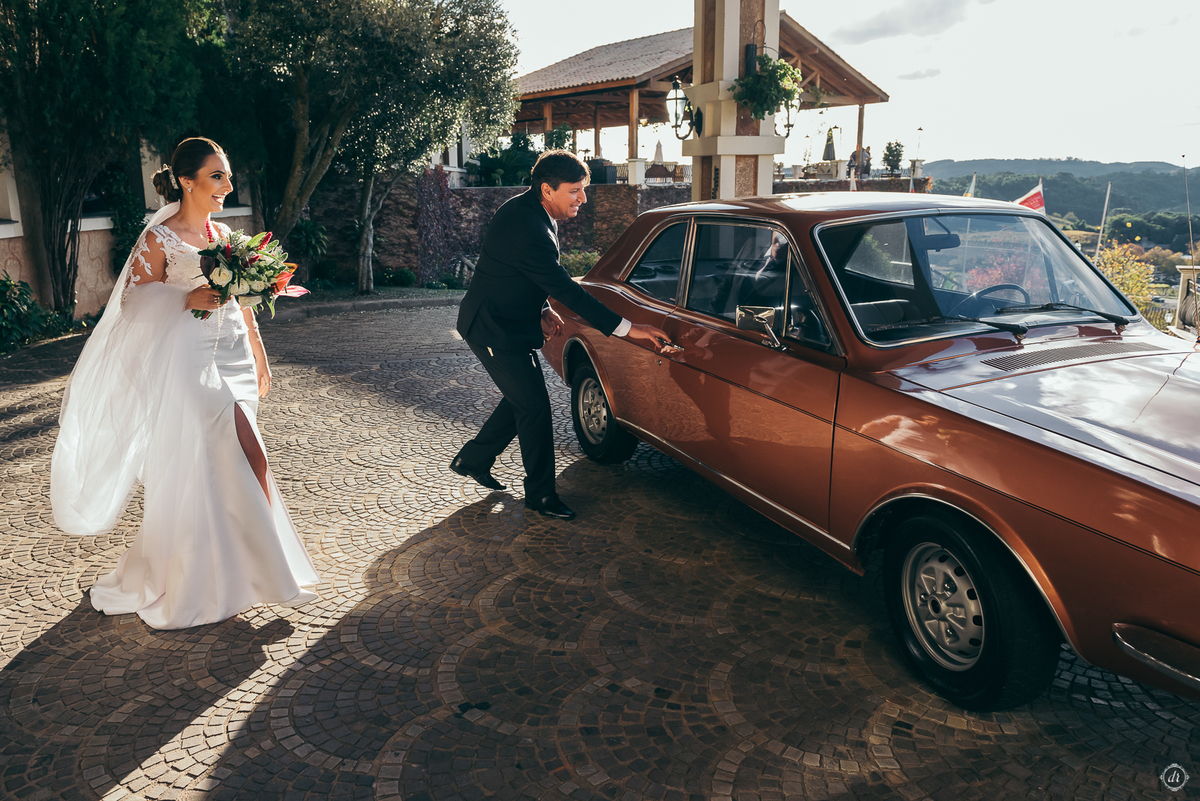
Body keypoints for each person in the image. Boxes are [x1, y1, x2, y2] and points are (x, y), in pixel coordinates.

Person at [50, 137, 318, 629]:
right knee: (250, 457)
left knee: (216, 467)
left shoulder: (224, 234)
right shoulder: (160, 239)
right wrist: (184, 299)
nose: (227, 185)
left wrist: (259, 357)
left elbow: (242, 301)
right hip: (188, 362)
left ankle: (225, 573)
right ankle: (264, 574)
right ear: (187, 181)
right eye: (217, 176)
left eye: (227, 176)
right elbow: (131, 304)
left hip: (233, 356)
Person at [452, 150, 674, 521]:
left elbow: (520, 273)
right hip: (491, 328)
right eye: (575, 191)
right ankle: (540, 495)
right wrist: (629, 330)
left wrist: (541, 309)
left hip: (511, 322)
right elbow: (569, 290)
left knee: (523, 399)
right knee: (534, 405)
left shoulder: (533, 211)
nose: (582, 199)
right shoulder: (529, 227)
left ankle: (472, 459)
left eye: (582, 190)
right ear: (547, 189)